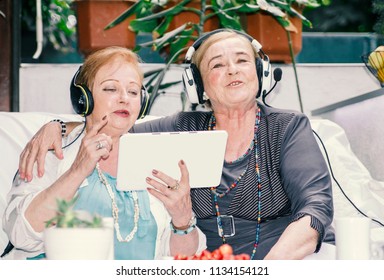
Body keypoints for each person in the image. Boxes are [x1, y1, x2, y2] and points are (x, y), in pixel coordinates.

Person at [13, 29, 335, 260]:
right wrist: (56, 126)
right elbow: (112, 125)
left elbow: (315, 209)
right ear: (199, 88)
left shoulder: (287, 128)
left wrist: (268, 271)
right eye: (218, 65)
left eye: (241, 61)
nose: (233, 69)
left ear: (260, 73)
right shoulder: (179, 131)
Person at [2, 46, 206, 260]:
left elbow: (184, 258)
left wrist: (182, 220)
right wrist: (77, 170)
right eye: (111, 89)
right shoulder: (53, 149)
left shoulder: (155, 157)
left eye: (133, 92)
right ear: (84, 98)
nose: (124, 98)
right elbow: (21, 233)